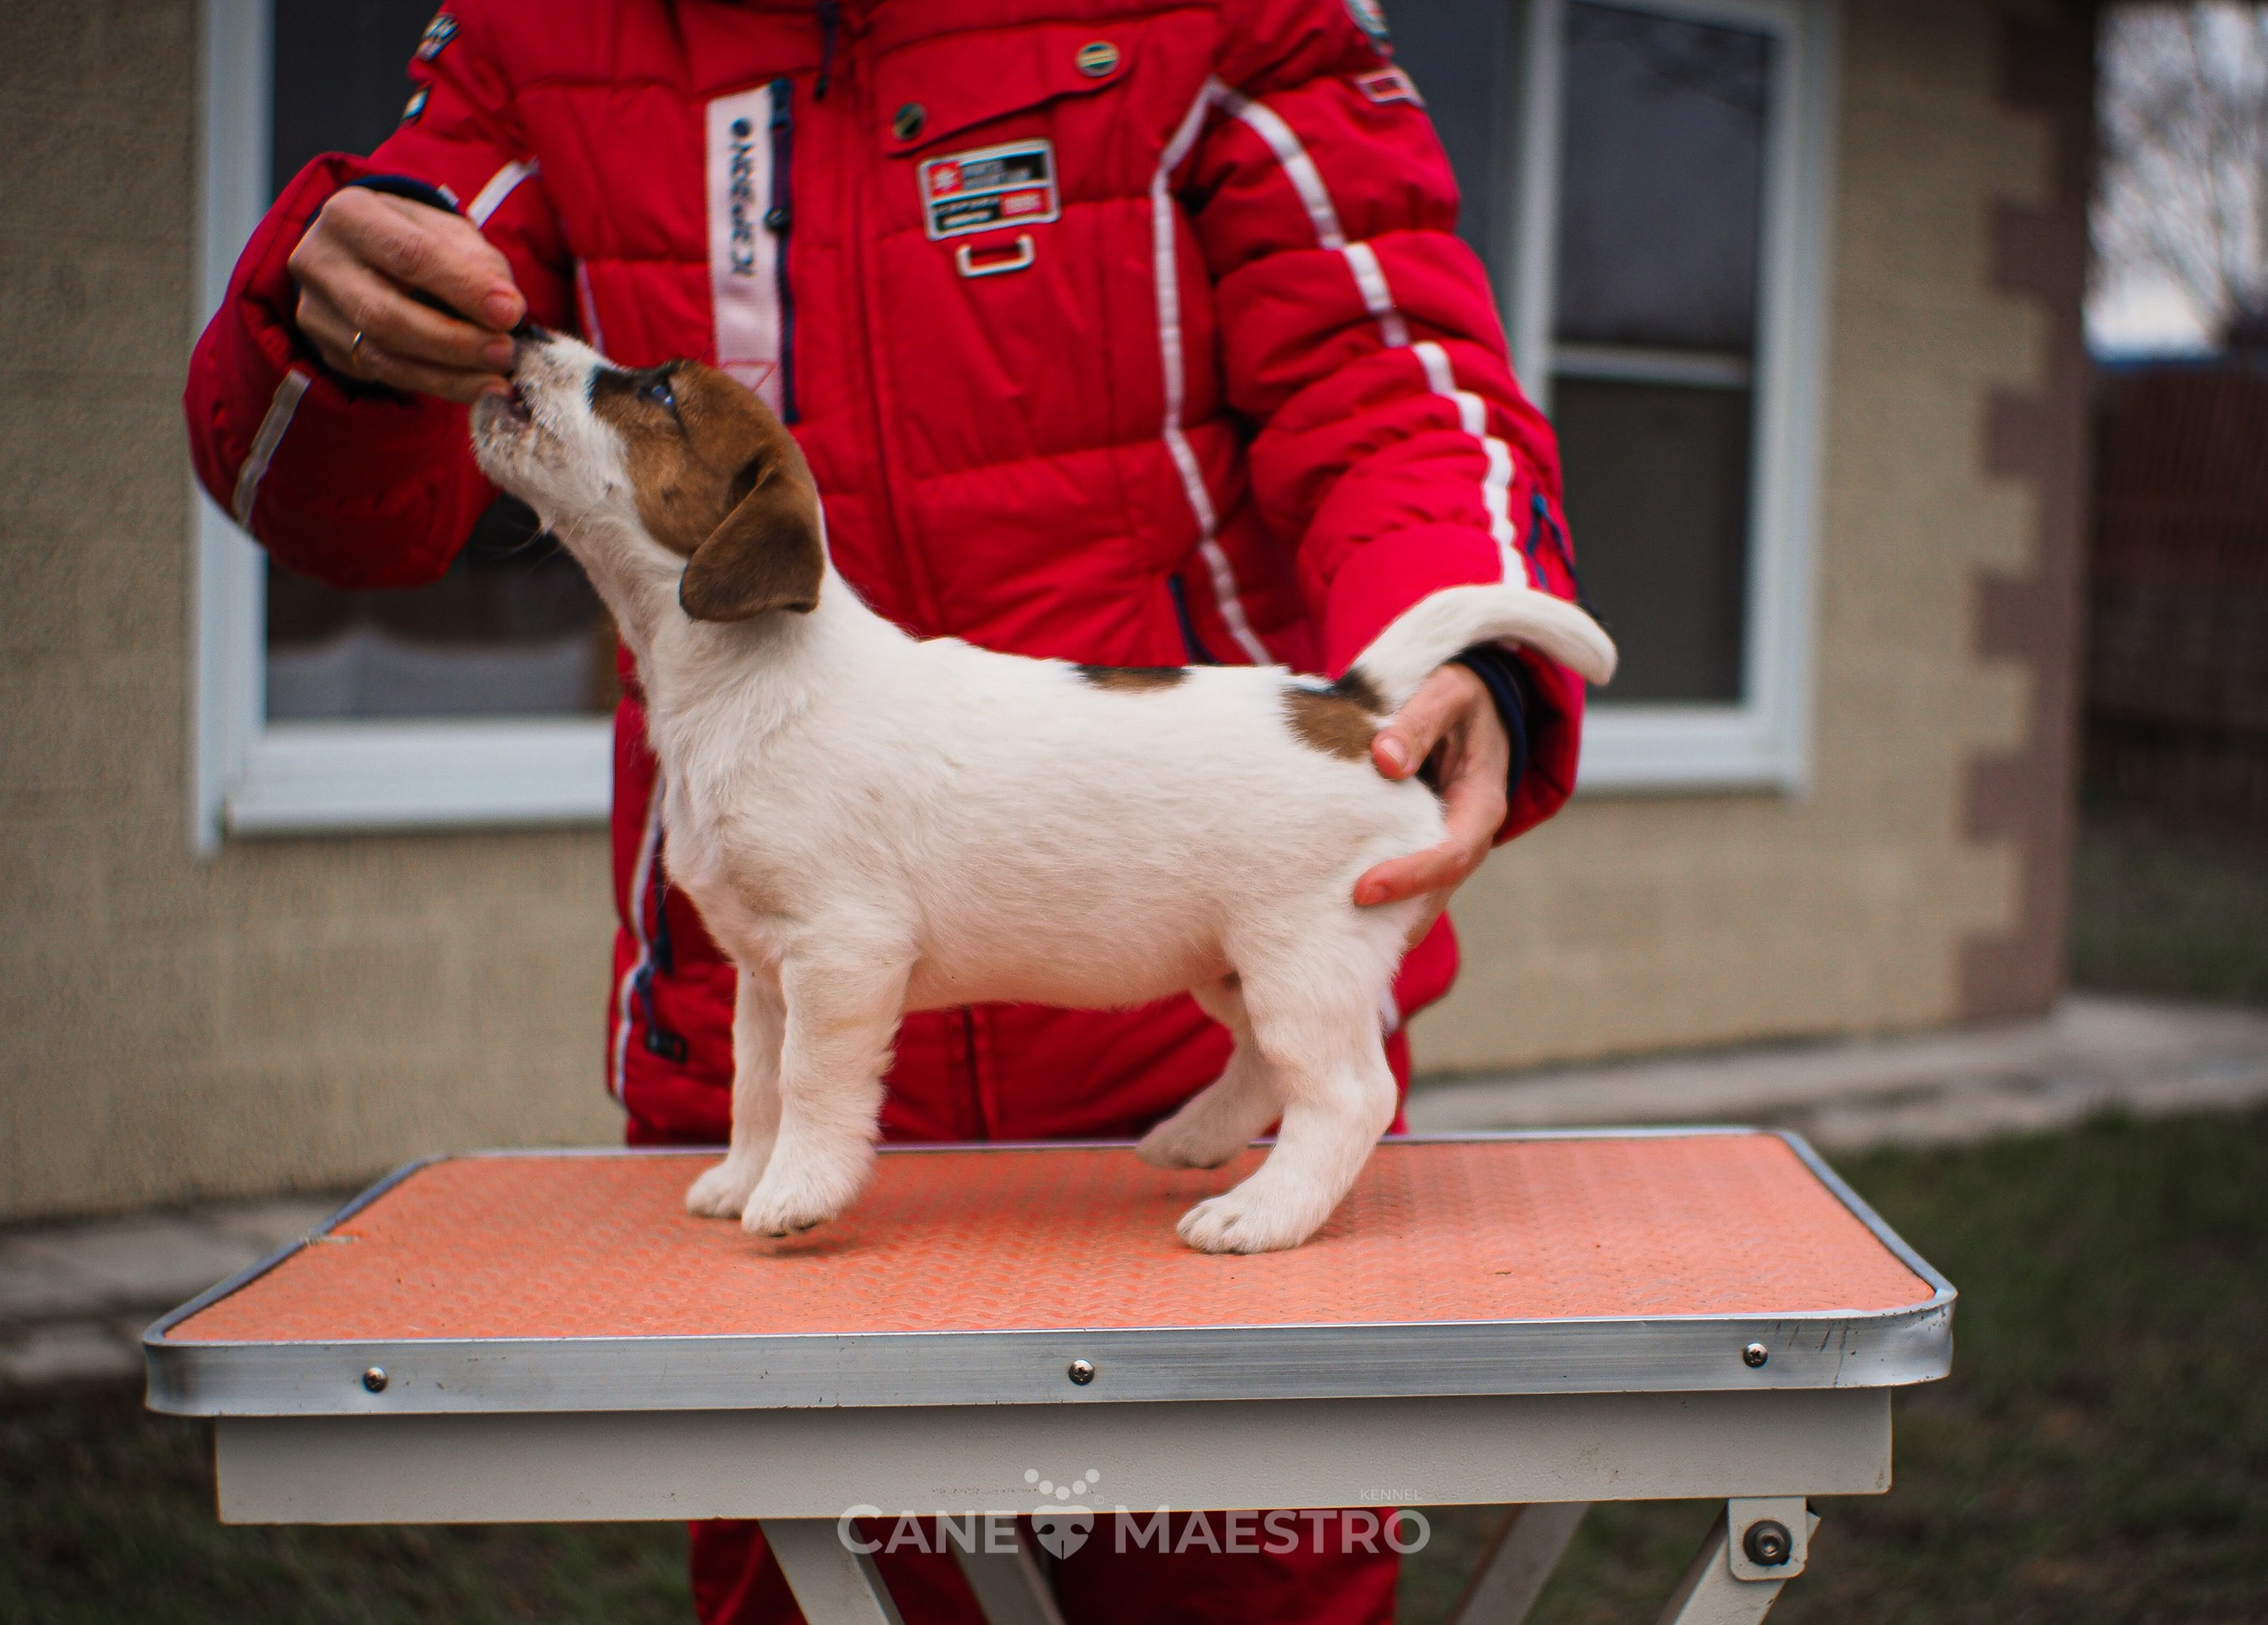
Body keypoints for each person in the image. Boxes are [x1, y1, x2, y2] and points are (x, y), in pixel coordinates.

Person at [184, 3, 1589, 1620]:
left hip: (1147, 975)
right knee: (822, 1581)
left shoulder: (1236, 16)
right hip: (746, 1040)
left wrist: (1470, 634)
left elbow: (1388, 361)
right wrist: (332, 320)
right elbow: (373, 454)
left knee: (1227, 1565)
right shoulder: (539, 30)